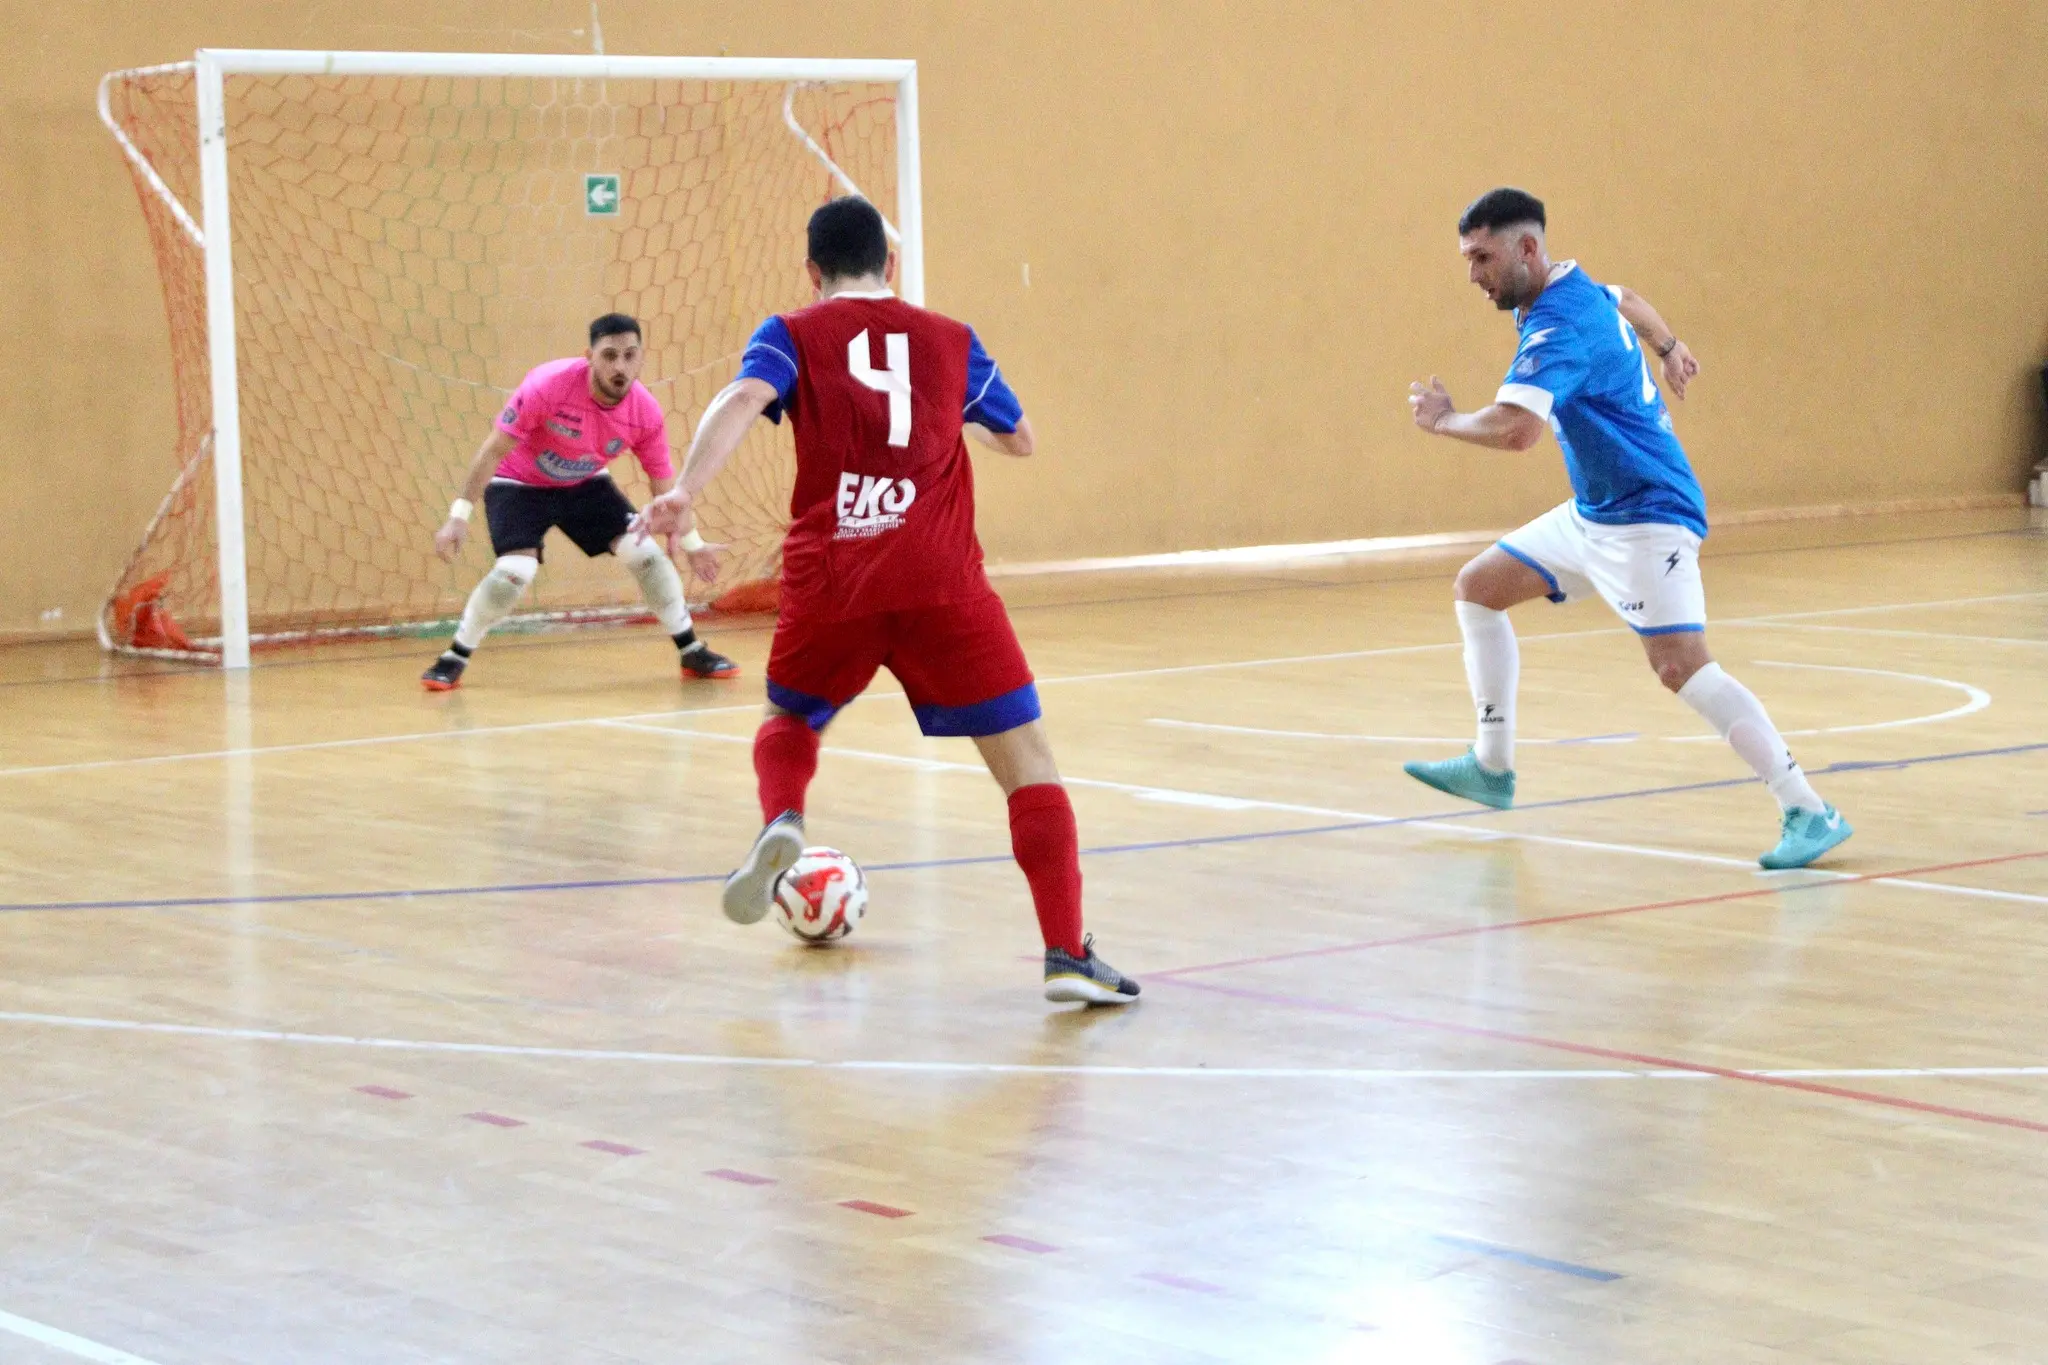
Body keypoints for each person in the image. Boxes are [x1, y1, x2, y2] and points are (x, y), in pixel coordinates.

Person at [634, 197, 1138, 1004]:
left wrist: (684, 492)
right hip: (941, 581)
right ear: (890, 263)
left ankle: (782, 820)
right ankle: (1067, 952)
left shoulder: (791, 333)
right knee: (1027, 763)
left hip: (834, 575)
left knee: (790, 720)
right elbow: (1021, 438)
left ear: (812, 271)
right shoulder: (950, 339)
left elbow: (740, 402)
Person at [1404, 187, 1852, 870]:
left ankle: (1809, 809)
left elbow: (1518, 429)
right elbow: (1631, 297)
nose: (1473, 274)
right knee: (1478, 587)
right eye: (1467, 259)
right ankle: (1492, 766)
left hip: (1648, 517)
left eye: (1481, 257)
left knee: (1683, 669)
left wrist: (1443, 421)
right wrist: (1669, 346)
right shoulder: (1575, 289)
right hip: (1595, 513)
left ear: (1527, 249)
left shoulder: (1558, 324)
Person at [422, 313, 739, 690]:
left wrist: (693, 545)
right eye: (608, 355)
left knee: (647, 556)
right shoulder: (548, 385)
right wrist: (458, 516)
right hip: (517, 482)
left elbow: (668, 493)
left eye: (629, 355)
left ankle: (691, 650)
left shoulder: (645, 413)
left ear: (641, 358)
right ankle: (455, 655)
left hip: (585, 484)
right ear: (589, 356)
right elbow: (491, 452)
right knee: (514, 574)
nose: (619, 366)